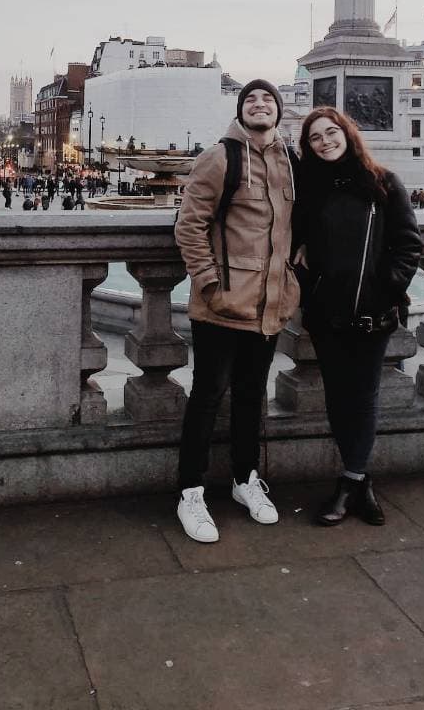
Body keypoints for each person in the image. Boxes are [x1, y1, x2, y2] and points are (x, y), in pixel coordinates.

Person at [173, 80, 300, 543]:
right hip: (222, 304)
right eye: (251, 98)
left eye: (268, 99)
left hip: (269, 305)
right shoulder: (219, 157)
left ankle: (246, 479)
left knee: (251, 396)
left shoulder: (290, 162)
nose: (260, 103)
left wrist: (294, 274)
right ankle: (190, 491)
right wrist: (208, 282)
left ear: (278, 111)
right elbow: (189, 225)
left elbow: (299, 227)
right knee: (207, 396)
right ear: (241, 110)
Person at [295, 107, 421, 528]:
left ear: (347, 133)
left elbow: (408, 244)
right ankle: (359, 481)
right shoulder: (307, 188)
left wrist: (386, 287)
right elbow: (289, 239)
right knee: (337, 396)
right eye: (315, 137)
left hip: (372, 314)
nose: (325, 141)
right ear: (308, 147)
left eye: (331, 132)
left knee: (363, 397)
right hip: (326, 312)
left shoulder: (383, 182)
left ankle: (349, 483)